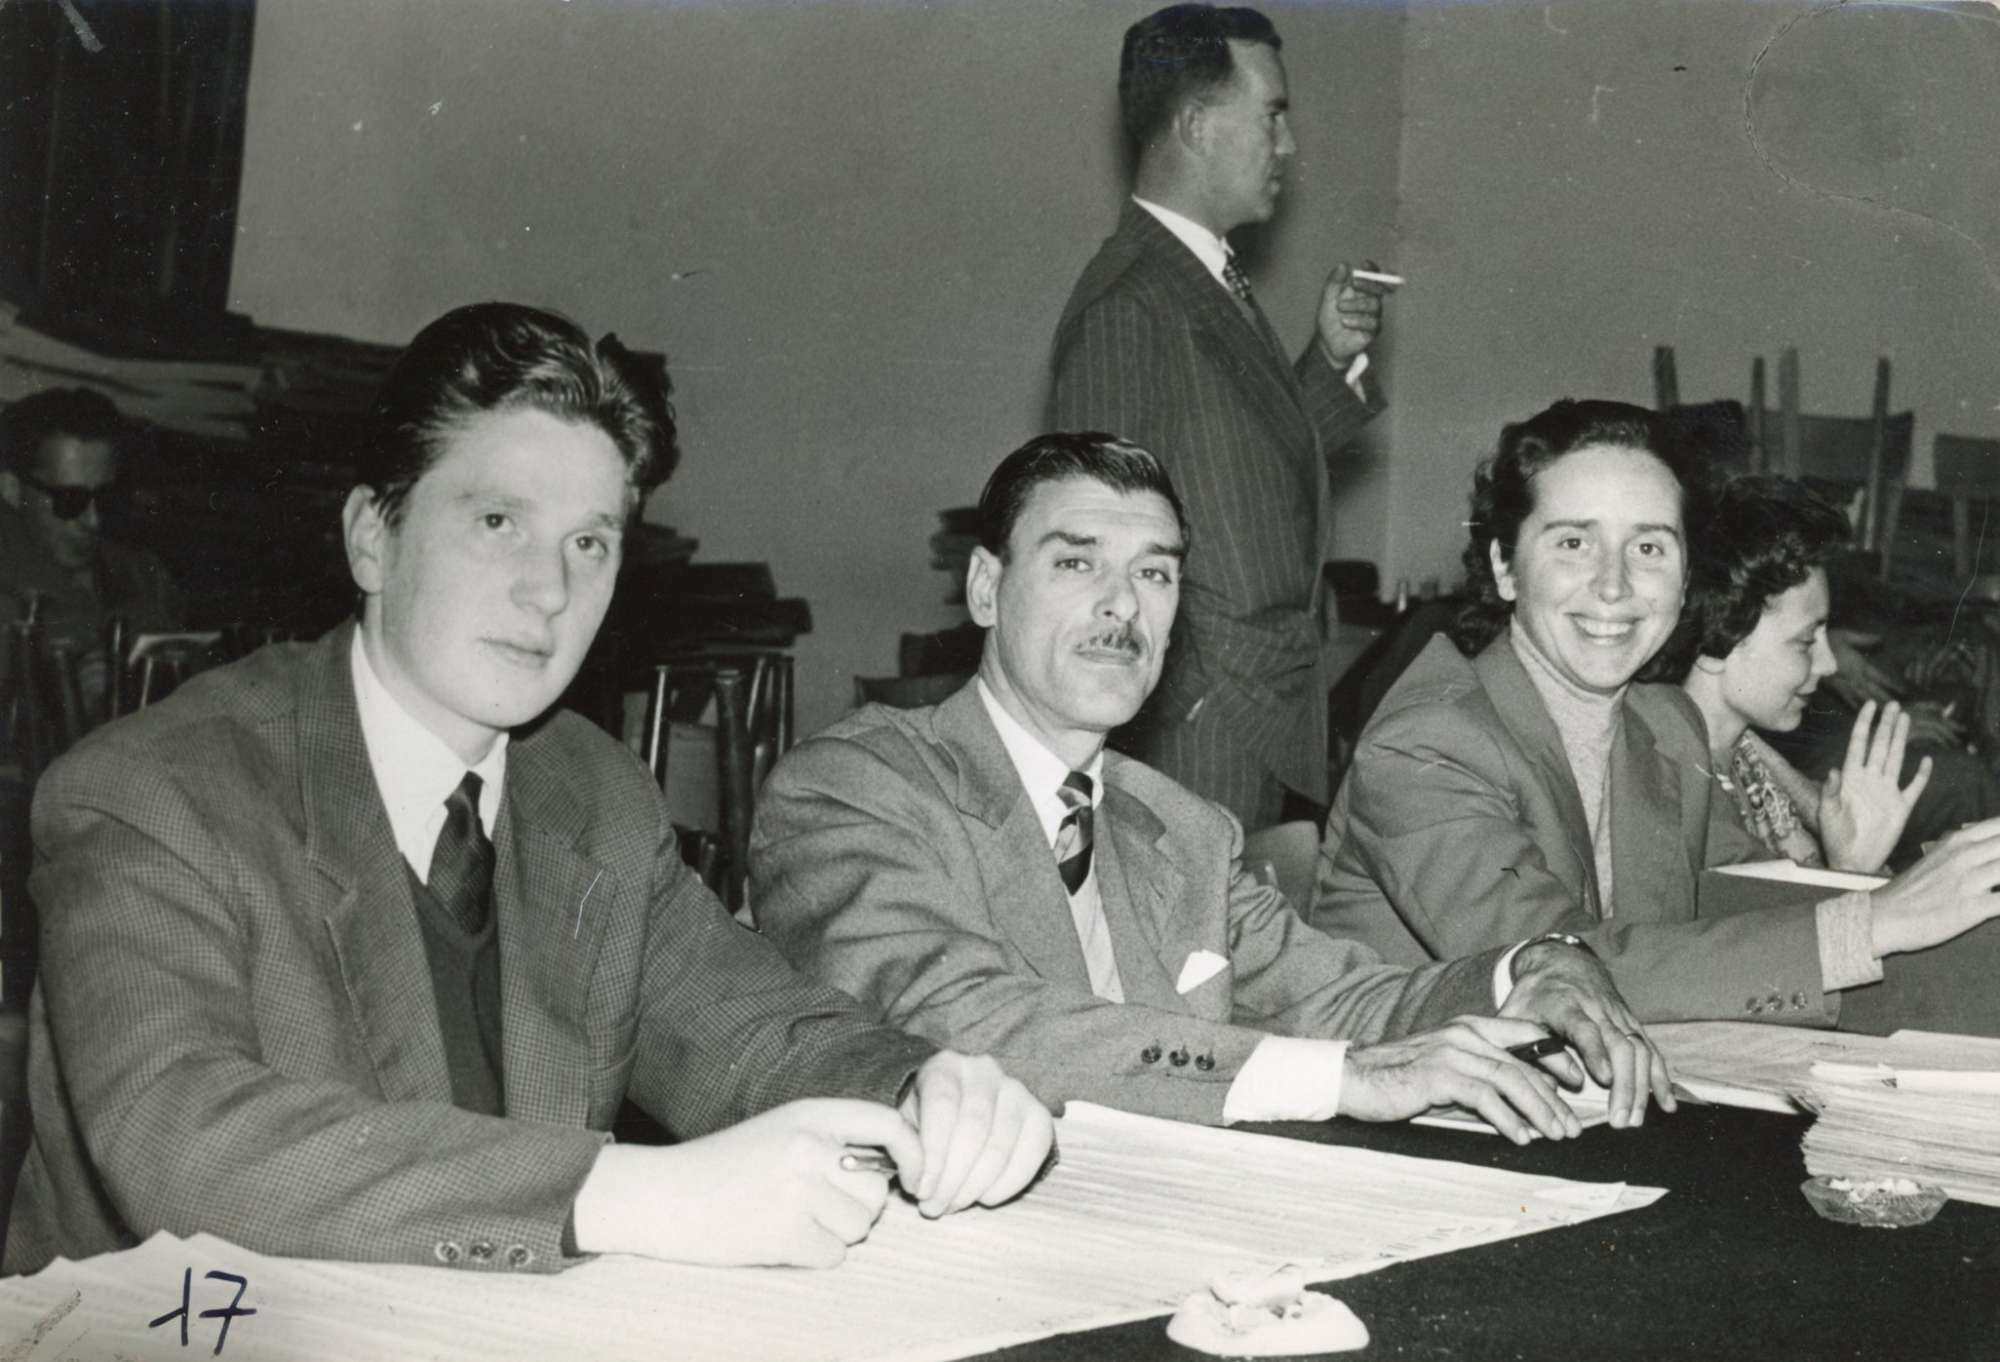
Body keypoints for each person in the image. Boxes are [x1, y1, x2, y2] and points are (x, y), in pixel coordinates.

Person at [7, 303, 1052, 1276]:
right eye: (499, 522)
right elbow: (182, 1139)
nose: (548, 589)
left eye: (588, 543)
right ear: (372, 537)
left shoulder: (589, 793)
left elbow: (750, 1029)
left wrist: (918, 1086)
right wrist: (627, 1195)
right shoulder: (154, 792)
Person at [753, 432, 1672, 1147]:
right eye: (1077, 562)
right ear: (987, 587)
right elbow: (961, 1020)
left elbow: (1346, 1000)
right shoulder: (854, 786)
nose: (1123, 605)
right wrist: (1340, 1077)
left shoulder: (1182, 828)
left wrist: (1527, 968)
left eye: (1154, 572)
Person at [1312, 399, 2000, 1034]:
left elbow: (1741, 919)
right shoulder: (1424, 743)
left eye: (1648, 548)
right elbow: (1561, 966)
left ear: (1686, 577)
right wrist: (1872, 918)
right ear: (1505, 567)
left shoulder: (1666, 724)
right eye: (1573, 543)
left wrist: (1853, 872)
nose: (1613, 587)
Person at [1048, 3, 1395, 828]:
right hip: (1201, 732)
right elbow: (1100, 555)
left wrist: (1328, 360)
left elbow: (1238, 474)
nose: (1288, 145)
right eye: (1271, 115)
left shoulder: (1197, 279)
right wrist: (1188, 710)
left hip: (1254, 720)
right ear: (1198, 126)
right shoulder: (1132, 304)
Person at [1674, 475, 1928, 874]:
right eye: (1806, 642)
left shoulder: (1744, 760)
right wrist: (1850, 868)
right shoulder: (1682, 793)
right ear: (1719, 637)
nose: (1829, 665)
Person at [0, 387, 182, 714]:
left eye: (106, 498)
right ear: (12, 489)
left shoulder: (145, 575)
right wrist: (63, 707)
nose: (94, 521)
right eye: (70, 501)